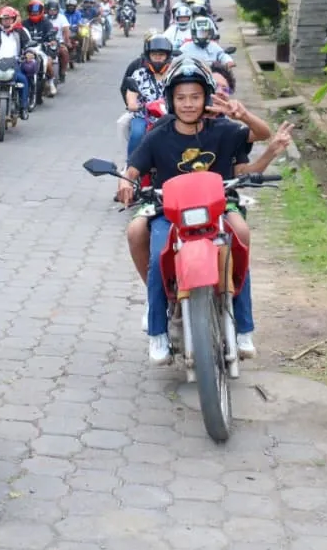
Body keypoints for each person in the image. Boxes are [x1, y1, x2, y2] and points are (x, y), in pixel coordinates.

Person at [120, 57, 288, 363]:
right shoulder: (159, 132)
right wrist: (126, 182)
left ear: (206, 97)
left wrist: (245, 114)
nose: (188, 104)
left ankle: (244, 327)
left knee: (240, 235)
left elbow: (262, 134)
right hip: (168, 209)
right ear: (170, 99)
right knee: (156, 253)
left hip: (219, 204)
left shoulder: (223, 128)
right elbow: (134, 166)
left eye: (195, 97)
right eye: (181, 98)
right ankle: (157, 330)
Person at [119, 34, 174, 164]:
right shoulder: (140, 74)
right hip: (144, 115)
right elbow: (131, 91)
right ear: (148, 56)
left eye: (161, 55)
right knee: (137, 134)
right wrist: (132, 103)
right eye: (154, 55)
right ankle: (131, 166)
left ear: (167, 56)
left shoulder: (174, 73)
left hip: (170, 116)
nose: (158, 58)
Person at [0, 6, 32, 119]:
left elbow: (28, 45)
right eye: (4, 19)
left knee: (23, 80)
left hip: (14, 64)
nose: (6, 21)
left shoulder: (20, 32)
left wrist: (29, 52)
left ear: (13, 19)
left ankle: (23, 107)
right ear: (0, 20)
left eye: (9, 19)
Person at [23, 0, 59, 96]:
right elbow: (19, 34)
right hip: (28, 50)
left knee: (48, 62)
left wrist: (51, 40)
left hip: (43, 48)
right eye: (32, 10)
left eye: (37, 10)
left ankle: (51, 82)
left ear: (42, 10)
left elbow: (52, 34)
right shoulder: (24, 23)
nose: (34, 12)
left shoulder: (46, 23)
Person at [45, 0, 71, 79]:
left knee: (64, 52)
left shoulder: (62, 18)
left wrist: (67, 41)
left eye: (54, 10)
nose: (52, 12)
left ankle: (63, 72)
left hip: (59, 42)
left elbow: (66, 30)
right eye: (50, 10)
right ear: (47, 10)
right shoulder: (44, 18)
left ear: (57, 10)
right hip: (46, 43)